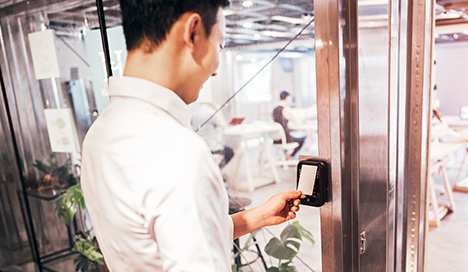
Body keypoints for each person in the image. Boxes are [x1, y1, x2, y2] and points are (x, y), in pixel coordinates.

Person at [79, 1, 303, 271]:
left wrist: (259, 216)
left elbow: (160, 241)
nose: (216, 68)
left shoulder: (100, 132)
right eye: (219, 45)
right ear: (193, 32)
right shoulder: (177, 152)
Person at [189, 101, 233, 168]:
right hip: (213, 149)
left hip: (200, 148)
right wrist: (219, 111)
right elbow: (224, 126)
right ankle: (219, 172)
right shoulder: (210, 112)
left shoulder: (194, 112)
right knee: (230, 152)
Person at [272, 91, 306, 159]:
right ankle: (291, 156)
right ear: (287, 98)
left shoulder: (274, 110)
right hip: (285, 139)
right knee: (303, 138)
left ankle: (286, 156)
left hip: (277, 139)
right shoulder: (286, 109)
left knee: (291, 133)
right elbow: (296, 121)